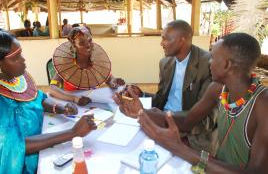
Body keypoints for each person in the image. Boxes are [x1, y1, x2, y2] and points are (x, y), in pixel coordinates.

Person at [114, 33, 268, 173]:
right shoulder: (218, 89)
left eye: (213, 57)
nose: (209, 63)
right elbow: (188, 121)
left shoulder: (263, 104)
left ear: (227, 65)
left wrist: (180, 148)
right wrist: (142, 112)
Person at [0, 27, 97, 173]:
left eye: (21, 54)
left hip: (37, 147)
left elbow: (36, 97)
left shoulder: (10, 77)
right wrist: (73, 133)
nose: (23, 59)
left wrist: (59, 108)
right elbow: (14, 147)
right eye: (16, 57)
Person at [123, 20, 216, 153]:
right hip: (161, 119)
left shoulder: (207, 63)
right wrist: (142, 94)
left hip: (188, 129)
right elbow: (162, 98)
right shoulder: (165, 62)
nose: (161, 43)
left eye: (165, 39)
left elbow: (205, 118)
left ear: (181, 40)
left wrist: (162, 117)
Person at [49, 26, 125, 106]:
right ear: (74, 46)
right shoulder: (67, 66)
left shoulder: (97, 63)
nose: (88, 45)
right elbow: (52, 90)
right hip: (73, 105)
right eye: (81, 43)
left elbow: (109, 79)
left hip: (93, 103)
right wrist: (74, 98)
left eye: (90, 40)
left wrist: (114, 82)